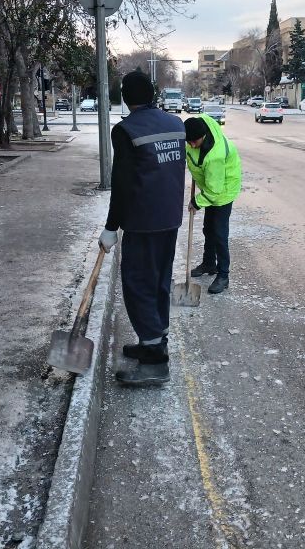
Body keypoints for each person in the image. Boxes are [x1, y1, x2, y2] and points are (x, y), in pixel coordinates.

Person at [98, 71, 186, 387]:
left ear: (125, 98)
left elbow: (121, 184)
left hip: (143, 221)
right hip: (170, 217)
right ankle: (154, 339)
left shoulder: (125, 130)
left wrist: (111, 227)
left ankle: (154, 362)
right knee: (159, 281)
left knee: (138, 285)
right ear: (153, 94)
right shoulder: (176, 124)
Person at [184, 114, 241, 294]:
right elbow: (191, 152)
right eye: (189, 141)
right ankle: (209, 263)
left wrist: (196, 202)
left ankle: (223, 275)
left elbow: (214, 190)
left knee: (219, 233)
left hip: (223, 190)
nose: (192, 145)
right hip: (211, 186)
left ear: (203, 136)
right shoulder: (197, 128)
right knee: (208, 229)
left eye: (194, 142)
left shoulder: (215, 155)